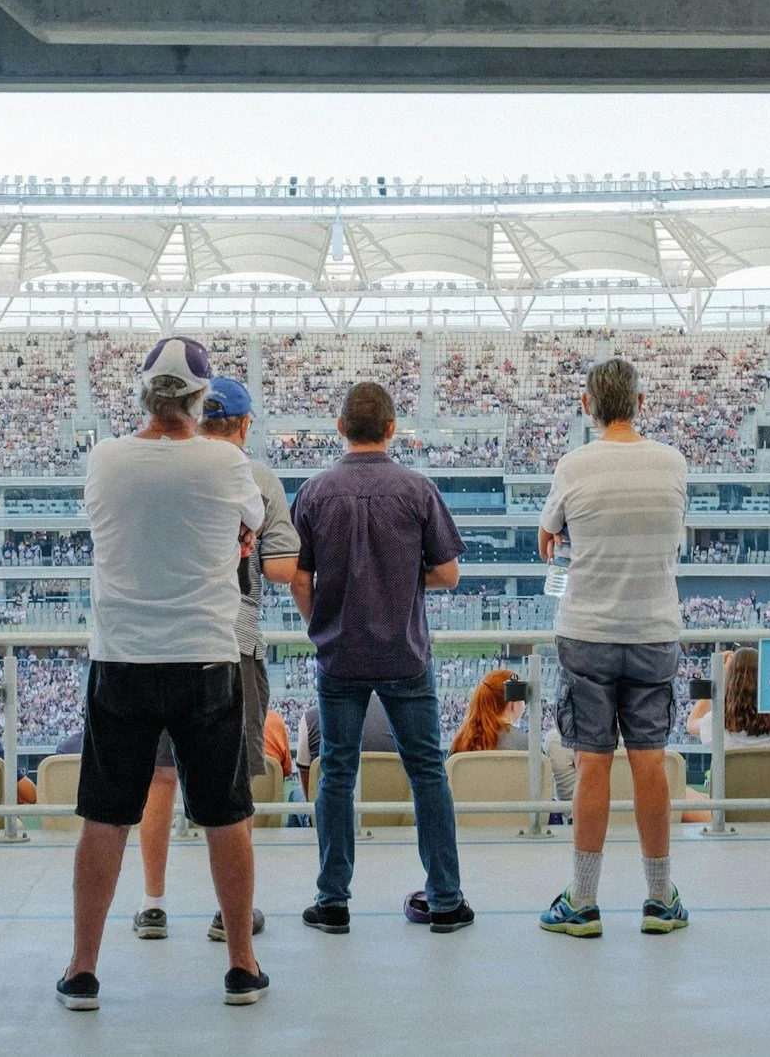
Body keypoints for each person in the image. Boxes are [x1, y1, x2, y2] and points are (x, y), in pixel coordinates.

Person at [59, 336, 269, 1012]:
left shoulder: (106, 459)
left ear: (144, 393)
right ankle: (241, 963)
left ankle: (83, 968)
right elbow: (252, 528)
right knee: (225, 814)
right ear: (202, 399)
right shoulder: (226, 461)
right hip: (206, 656)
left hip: (121, 658)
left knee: (104, 818)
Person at [292, 379, 471, 938]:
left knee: (337, 775)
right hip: (405, 654)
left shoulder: (315, 492)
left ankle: (333, 900)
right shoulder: (418, 490)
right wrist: (398, 582)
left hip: (338, 653)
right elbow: (447, 573)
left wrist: (318, 618)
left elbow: (299, 574)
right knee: (427, 772)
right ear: (392, 429)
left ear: (340, 429)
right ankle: (445, 898)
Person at [537, 358, 690, 938]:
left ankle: (582, 900)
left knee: (591, 763)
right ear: (640, 403)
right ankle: (659, 900)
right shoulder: (672, 461)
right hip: (653, 630)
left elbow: (548, 536)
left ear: (587, 406)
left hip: (588, 631)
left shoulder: (574, 465)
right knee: (650, 762)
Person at [201, 377, 299, 943]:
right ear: (244, 426)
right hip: (233, 644)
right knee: (232, 783)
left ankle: (153, 902)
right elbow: (284, 569)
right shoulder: (257, 478)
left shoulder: (165, 467)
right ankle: (231, 915)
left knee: (164, 779)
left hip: (164, 646)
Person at [452, 668, 575, 799]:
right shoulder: (526, 745)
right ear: (513, 704)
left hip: (467, 819)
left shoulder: (458, 744)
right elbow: (544, 795)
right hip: (520, 819)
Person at [685, 647, 770, 749]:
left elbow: (691, 724)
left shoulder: (717, 720)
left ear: (730, 682)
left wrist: (717, 679)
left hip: (734, 781)